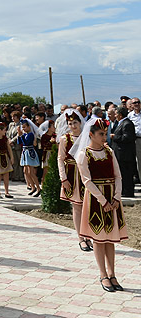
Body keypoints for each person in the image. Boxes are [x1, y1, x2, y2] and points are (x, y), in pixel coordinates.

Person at [71, 117, 128, 292]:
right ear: (91, 135)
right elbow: (87, 181)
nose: (104, 137)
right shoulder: (84, 155)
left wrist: (116, 198)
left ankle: (113, 274)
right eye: (101, 134)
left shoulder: (109, 152)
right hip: (96, 200)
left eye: (105, 134)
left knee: (110, 239)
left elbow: (118, 176)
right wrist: (103, 201)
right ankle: (103, 274)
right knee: (98, 238)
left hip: (112, 197)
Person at [58, 109, 91, 251]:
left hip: (85, 175)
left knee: (88, 207)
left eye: (75, 123)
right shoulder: (65, 139)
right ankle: (80, 238)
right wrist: (63, 178)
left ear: (80, 123)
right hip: (72, 175)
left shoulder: (87, 137)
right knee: (77, 207)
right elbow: (60, 159)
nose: (72, 126)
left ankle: (88, 235)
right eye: (70, 123)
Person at [110, 107, 136, 197]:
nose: (115, 115)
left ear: (120, 115)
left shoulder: (127, 124)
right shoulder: (121, 123)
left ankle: (128, 192)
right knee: (122, 173)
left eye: (116, 114)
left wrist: (114, 136)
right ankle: (124, 190)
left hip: (125, 154)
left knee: (126, 174)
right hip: (120, 153)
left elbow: (127, 137)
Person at [15, 119, 41, 196]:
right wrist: (19, 136)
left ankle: (38, 188)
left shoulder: (30, 134)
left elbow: (27, 142)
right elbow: (19, 142)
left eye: (25, 127)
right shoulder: (25, 134)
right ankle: (32, 187)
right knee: (25, 172)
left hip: (30, 152)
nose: (23, 129)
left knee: (31, 172)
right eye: (22, 127)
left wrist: (21, 136)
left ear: (29, 127)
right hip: (25, 152)